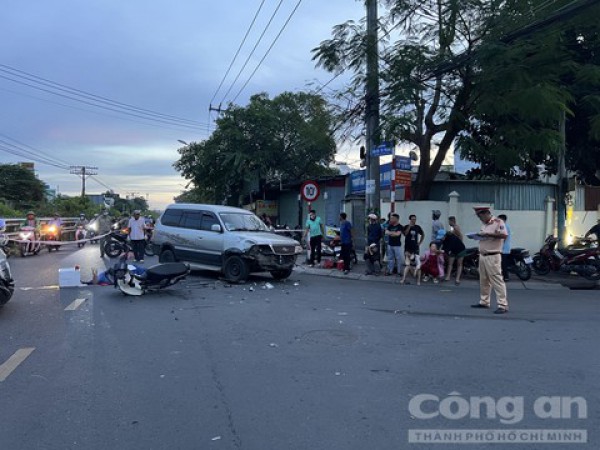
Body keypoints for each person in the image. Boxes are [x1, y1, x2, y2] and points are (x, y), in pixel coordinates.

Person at [470, 206, 509, 314]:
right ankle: (484, 301)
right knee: (483, 280)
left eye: (480, 216)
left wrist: (488, 234)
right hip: (483, 255)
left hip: (493, 255)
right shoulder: (485, 224)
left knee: (497, 280)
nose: (479, 218)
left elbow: (504, 235)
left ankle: (503, 305)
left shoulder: (498, 222)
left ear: (486, 213)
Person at [498, 214, 511, 282]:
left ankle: (506, 277)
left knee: (503, 264)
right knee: (502, 263)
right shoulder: (506, 226)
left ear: (503, 220)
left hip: (504, 249)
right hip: (505, 248)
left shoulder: (504, 226)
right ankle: (504, 276)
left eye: (499, 219)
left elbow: (504, 237)